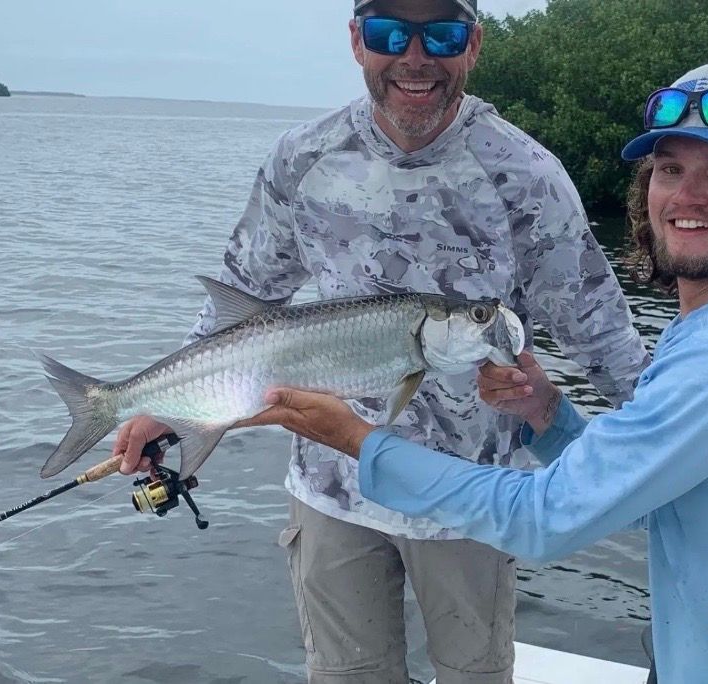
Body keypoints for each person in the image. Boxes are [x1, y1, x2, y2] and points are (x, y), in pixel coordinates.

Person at [252, 62, 708, 682]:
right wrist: (547, 416)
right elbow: (649, 497)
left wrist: (358, 442)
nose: (687, 196)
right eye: (670, 170)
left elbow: (542, 520)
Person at [113, 1, 648, 681]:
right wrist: (172, 403)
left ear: (474, 44)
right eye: (390, 32)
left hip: (473, 497)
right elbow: (240, 294)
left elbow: (601, 331)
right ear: (356, 42)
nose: (415, 57)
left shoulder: (526, 173)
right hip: (332, 490)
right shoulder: (304, 156)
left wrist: (680, 436)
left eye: (443, 33)